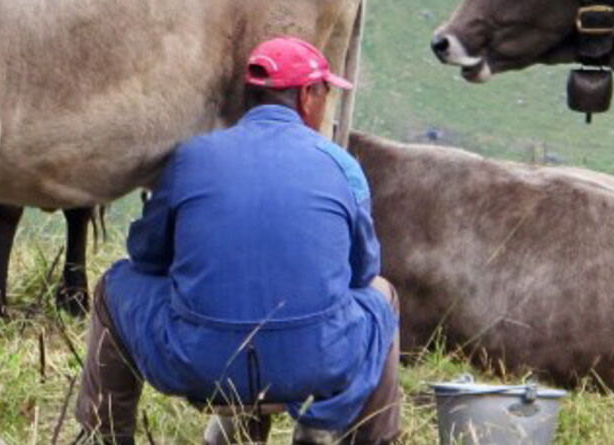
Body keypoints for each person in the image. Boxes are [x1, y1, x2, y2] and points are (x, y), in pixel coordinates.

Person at [74, 37, 400, 445]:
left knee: (113, 287)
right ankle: (367, 437)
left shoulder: (190, 159)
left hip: (197, 364)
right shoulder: (341, 165)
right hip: (317, 363)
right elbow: (364, 270)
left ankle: (104, 435)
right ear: (307, 96)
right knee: (382, 295)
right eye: (325, 93)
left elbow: (146, 257)